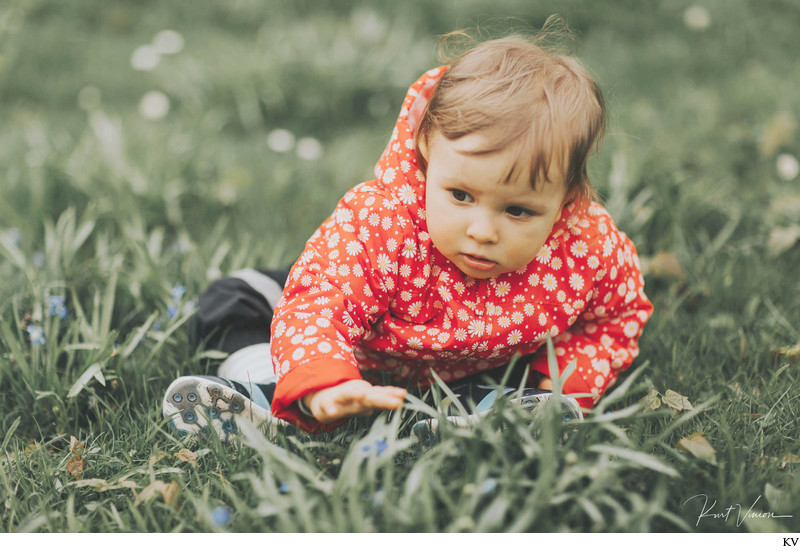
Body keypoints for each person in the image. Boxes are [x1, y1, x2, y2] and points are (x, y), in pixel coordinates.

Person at [162, 33, 653, 440]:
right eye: (460, 195)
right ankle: (280, 391)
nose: (482, 232)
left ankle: (490, 411)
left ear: (566, 199)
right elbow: (320, 304)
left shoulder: (586, 249)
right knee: (237, 298)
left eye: (519, 210)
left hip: (474, 366)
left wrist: (565, 379)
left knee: (514, 385)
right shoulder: (382, 225)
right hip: (361, 348)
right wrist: (325, 379)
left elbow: (619, 313)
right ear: (424, 151)